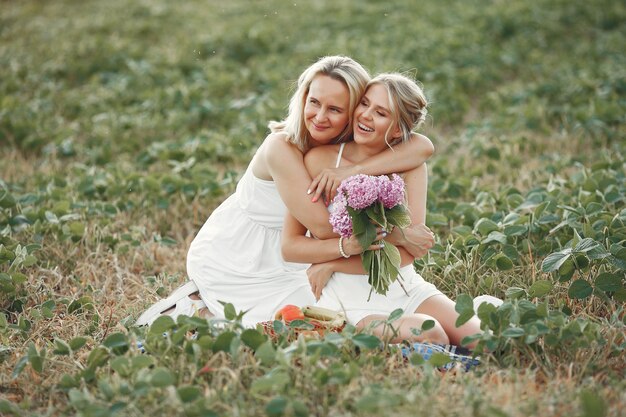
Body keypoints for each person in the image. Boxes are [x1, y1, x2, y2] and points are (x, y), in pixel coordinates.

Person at [136, 56, 435, 327]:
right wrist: (399, 235)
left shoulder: (339, 151)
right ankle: (191, 308)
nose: (319, 117)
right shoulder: (280, 147)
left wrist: (349, 171)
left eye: (334, 109)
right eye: (314, 102)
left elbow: (422, 146)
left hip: (293, 254)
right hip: (239, 253)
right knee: (303, 322)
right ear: (302, 98)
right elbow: (321, 226)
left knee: (334, 311)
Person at [281, 73, 486, 348]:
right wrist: (386, 238)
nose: (365, 115)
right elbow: (292, 245)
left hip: (404, 286)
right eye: (364, 104)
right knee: (432, 334)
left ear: (399, 130)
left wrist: (331, 263)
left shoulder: (411, 165)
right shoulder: (321, 161)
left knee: (482, 342)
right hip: (351, 299)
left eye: (380, 113)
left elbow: (407, 252)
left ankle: (480, 313)